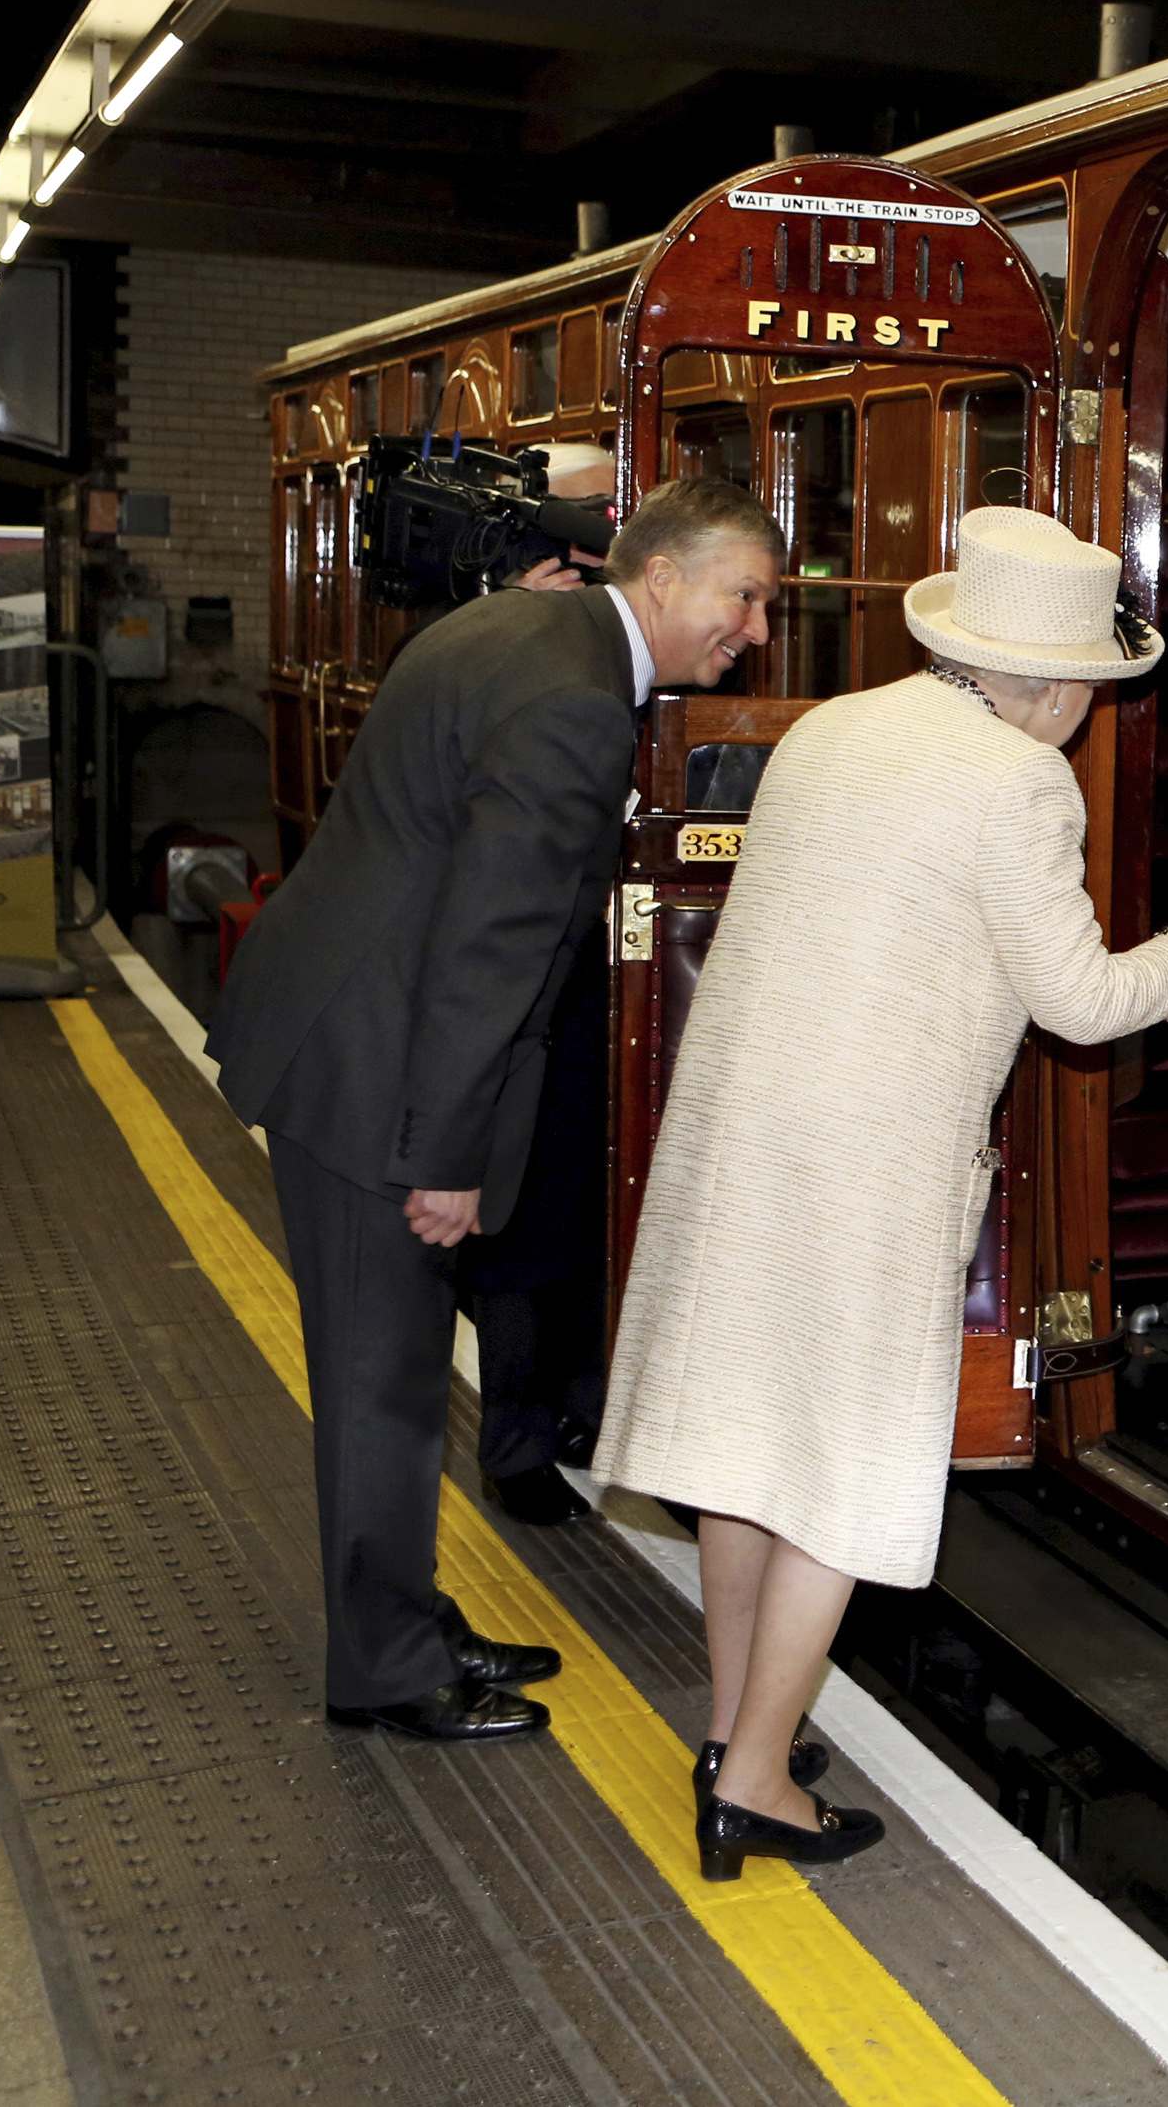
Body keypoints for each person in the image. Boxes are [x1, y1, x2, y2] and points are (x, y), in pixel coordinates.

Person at [593, 505, 1168, 1877]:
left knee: (738, 1450)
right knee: (834, 1469)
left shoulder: (831, 730)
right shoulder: (1019, 783)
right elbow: (1078, 1002)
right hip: (859, 1174)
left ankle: (734, 1730)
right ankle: (758, 1784)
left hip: (736, 1143)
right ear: (1057, 682)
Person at [212, 476, 784, 1743]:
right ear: (665, 574)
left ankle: (403, 1613)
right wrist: (446, 1154)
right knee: (383, 1385)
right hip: (374, 1066)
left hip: (344, 1024)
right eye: (742, 596)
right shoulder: (578, 699)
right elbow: (493, 945)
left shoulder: (514, 625)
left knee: (399, 1375)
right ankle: (384, 1668)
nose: (752, 630)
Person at [465, 438, 627, 1526]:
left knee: (591, 1196)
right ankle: (514, 1433)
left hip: (615, 972)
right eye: (582, 518)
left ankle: (582, 1403)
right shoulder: (498, 642)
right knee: (520, 1218)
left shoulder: (627, 643)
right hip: (526, 981)